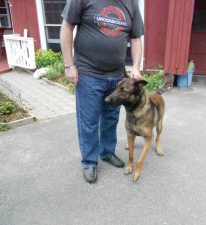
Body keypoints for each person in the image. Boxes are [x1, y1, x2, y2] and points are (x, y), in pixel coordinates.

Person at [60, 0, 145, 183]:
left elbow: (136, 38)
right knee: (89, 121)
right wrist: (69, 65)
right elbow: (67, 27)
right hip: (89, 74)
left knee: (111, 118)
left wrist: (136, 66)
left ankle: (107, 152)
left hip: (116, 77)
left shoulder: (131, 3)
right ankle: (89, 162)